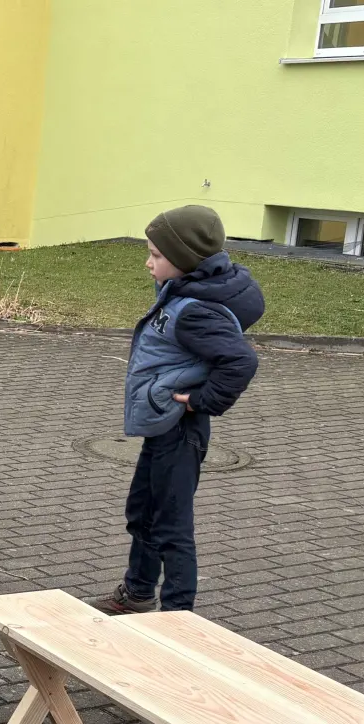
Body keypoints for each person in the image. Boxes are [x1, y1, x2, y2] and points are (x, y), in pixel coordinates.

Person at [90, 205, 262, 615]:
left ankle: (178, 620)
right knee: (143, 511)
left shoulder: (195, 310)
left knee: (171, 525)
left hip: (181, 431)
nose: (148, 263)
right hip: (163, 426)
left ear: (184, 260)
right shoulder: (186, 290)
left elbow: (241, 361)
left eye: (157, 255)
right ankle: (137, 593)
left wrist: (205, 400)